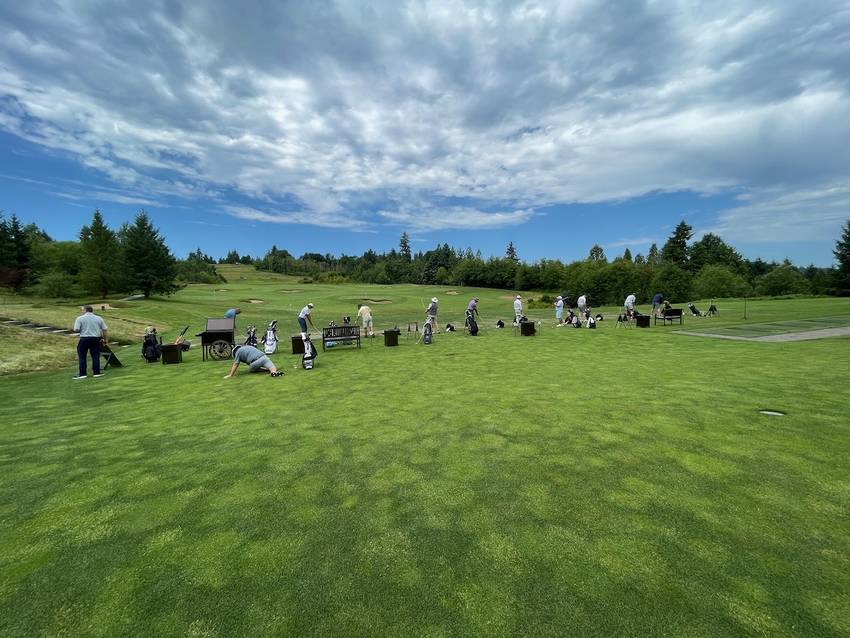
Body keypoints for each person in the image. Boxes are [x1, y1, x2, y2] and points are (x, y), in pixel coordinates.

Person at [73, 305, 108, 379]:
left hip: (84, 338)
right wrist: (105, 340)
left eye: (82, 310)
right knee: (95, 356)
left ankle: (82, 374)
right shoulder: (99, 318)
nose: (81, 311)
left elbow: (76, 329)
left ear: (85, 310)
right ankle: (96, 373)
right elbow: (104, 330)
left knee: (82, 356)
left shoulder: (80, 318)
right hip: (95, 339)